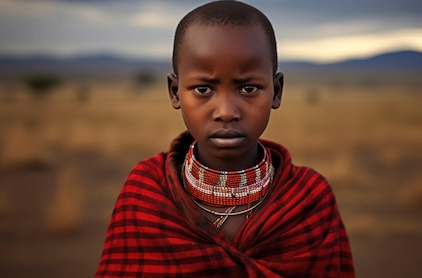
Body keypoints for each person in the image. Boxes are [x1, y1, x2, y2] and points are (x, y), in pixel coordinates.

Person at [95, 1, 355, 277]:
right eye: (203, 88)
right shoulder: (146, 192)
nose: (226, 112)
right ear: (175, 92)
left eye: (249, 87)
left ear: (276, 91)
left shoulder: (308, 198)